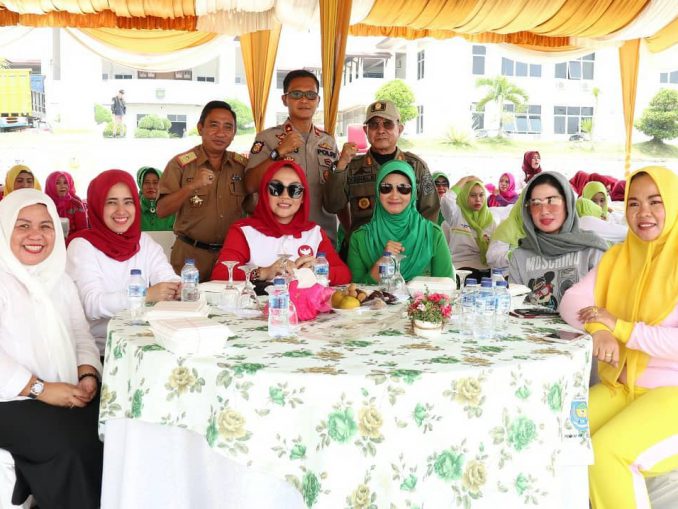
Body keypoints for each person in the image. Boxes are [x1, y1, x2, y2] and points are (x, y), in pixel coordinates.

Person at [559, 166, 678, 509]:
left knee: (606, 453)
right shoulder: (620, 257)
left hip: (671, 393)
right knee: (558, 433)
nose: (643, 213)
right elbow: (572, 300)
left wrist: (621, 329)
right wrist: (599, 330)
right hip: (622, 386)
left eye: (656, 202)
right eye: (634, 204)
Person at [0, 189, 103, 509]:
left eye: (46, 226)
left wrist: (88, 374)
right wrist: (41, 389)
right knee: (71, 449)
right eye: (23, 225)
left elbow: (81, 334)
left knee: (110, 429)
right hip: (10, 399)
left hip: (63, 391)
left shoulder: (59, 279)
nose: (36, 235)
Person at [67, 170, 180, 355]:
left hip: (145, 342)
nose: (121, 210)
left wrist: (178, 287)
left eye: (128, 202)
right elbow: (92, 305)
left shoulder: (143, 242)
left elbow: (166, 277)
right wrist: (145, 295)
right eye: (111, 202)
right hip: (102, 350)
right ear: (97, 205)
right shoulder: (82, 246)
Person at [244, 70, 348, 244]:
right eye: (296, 94)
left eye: (311, 95)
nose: (304, 100)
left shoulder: (328, 142)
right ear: (285, 99)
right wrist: (278, 152)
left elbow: (336, 192)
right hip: (277, 239)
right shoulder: (268, 138)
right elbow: (249, 185)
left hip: (321, 238)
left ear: (318, 100)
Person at [324, 100, 439, 254]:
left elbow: (430, 214)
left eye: (388, 124)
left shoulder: (416, 167)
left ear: (400, 128)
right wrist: (341, 165)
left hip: (404, 252)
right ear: (365, 130)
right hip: (362, 252)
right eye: (374, 125)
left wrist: (416, 250)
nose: (380, 130)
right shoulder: (351, 167)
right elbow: (332, 206)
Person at [211, 161, 351, 285]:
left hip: (303, 306)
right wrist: (264, 272)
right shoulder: (243, 231)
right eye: (276, 188)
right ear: (265, 193)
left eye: (294, 190)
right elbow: (220, 274)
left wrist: (319, 270)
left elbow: (344, 274)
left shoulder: (314, 233)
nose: (285, 196)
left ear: (303, 197)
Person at [156, 100, 247, 281]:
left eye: (228, 127)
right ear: (200, 128)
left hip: (230, 257)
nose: (220, 133)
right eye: (214, 125)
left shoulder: (241, 166)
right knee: (186, 299)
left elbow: (254, 206)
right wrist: (191, 186)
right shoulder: (180, 165)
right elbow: (162, 210)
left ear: (234, 133)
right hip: (190, 257)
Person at [508, 171, 607, 309]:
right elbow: (513, 310)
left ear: (567, 204)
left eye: (552, 201)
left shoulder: (592, 250)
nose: (544, 211)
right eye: (536, 203)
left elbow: (607, 306)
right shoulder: (520, 256)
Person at [348, 160, 453, 284]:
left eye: (403, 189)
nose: (394, 196)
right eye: (386, 188)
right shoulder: (360, 238)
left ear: (413, 193)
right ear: (377, 192)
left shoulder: (432, 235)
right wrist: (382, 264)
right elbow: (354, 291)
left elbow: (446, 286)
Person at [441, 176, 497, 282]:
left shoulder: (490, 220)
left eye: (481, 195)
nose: (478, 199)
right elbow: (446, 200)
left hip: (485, 269)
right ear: (464, 196)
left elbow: (496, 250)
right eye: (472, 195)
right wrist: (465, 180)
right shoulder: (456, 215)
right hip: (461, 267)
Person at [44, 171, 88, 237]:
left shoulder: (76, 205)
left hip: (73, 241)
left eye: (65, 183)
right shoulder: (44, 204)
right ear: (50, 185)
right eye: (57, 183)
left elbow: (82, 231)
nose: (62, 186)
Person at [136, 166, 175, 231]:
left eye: (155, 182)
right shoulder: (132, 211)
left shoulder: (173, 211)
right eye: (146, 182)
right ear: (141, 185)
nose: (151, 186)